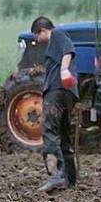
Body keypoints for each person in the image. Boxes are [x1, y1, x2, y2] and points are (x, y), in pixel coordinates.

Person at [31, 16, 79, 193]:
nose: (37, 40)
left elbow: (68, 50)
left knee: (49, 130)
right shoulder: (55, 43)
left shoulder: (57, 34)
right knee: (65, 133)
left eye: (36, 36)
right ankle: (70, 177)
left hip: (56, 90)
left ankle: (57, 174)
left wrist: (64, 70)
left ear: (43, 30)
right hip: (68, 92)